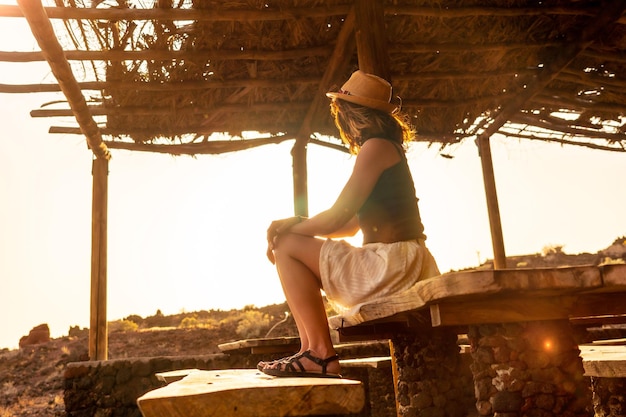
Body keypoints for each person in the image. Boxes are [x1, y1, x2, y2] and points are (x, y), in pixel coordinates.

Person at [258, 70, 440, 378]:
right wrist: (297, 224)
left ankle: (318, 353)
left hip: (395, 264)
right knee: (288, 242)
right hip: (403, 262)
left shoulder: (376, 147)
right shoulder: (384, 149)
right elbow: (351, 224)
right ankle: (310, 351)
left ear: (349, 113)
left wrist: (287, 231)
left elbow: (338, 217)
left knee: (286, 245)